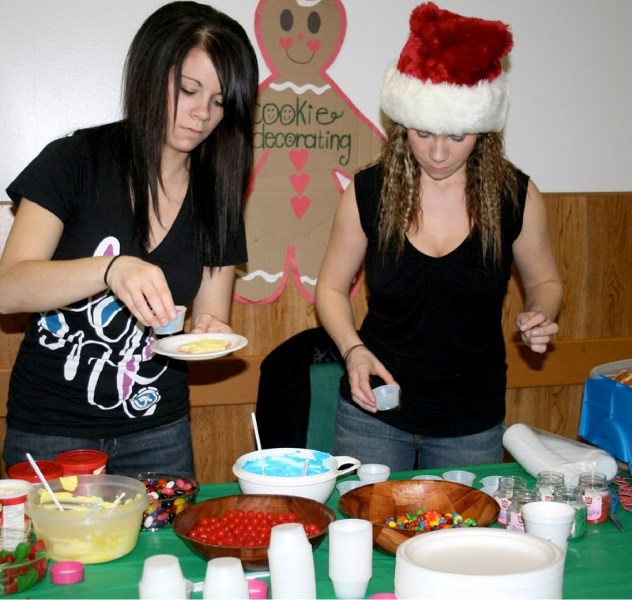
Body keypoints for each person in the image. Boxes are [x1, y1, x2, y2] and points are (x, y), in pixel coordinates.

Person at [0, 1, 259, 477]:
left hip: (158, 431)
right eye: (188, 89)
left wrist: (210, 333)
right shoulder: (75, 160)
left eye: (220, 101)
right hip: (52, 431)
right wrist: (111, 268)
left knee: (160, 553)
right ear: (150, 74)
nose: (203, 114)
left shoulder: (217, 194)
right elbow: (8, 287)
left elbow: (209, 316)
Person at [314, 2, 563, 471]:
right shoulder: (368, 191)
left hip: (470, 424)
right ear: (402, 122)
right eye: (423, 133)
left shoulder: (517, 196)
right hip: (374, 412)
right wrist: (354, 352)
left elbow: (546, 284)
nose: (438, 152)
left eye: (457, 136)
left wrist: (540, 315)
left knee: (459, 544)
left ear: (482, 130)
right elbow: (329, 288)